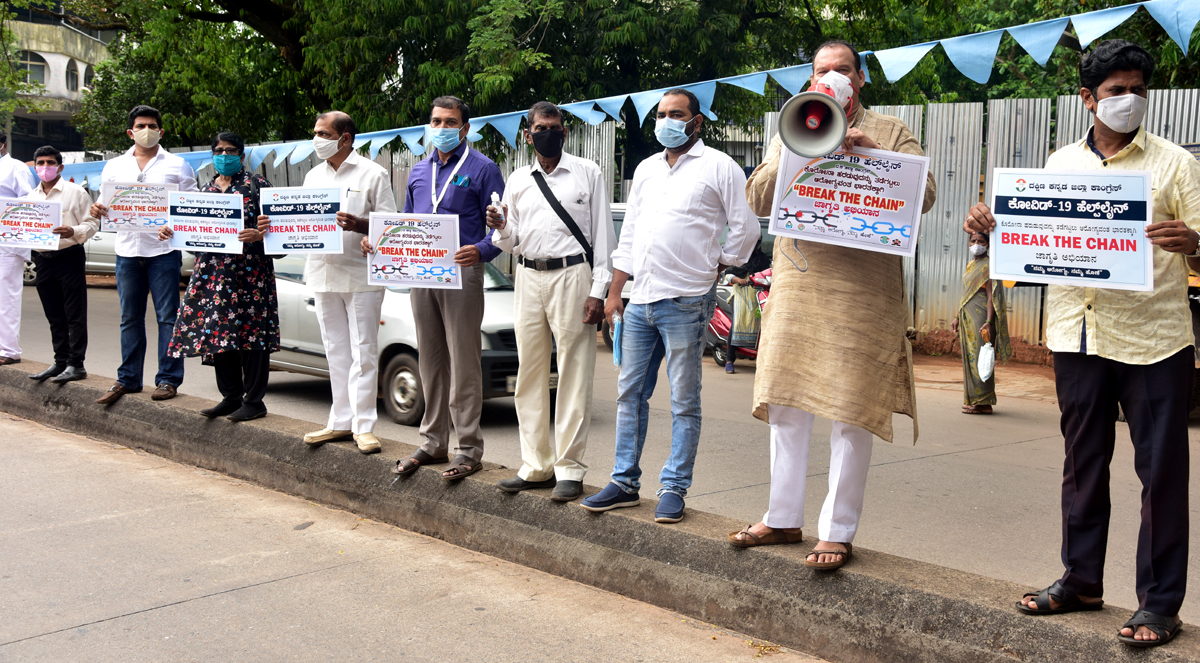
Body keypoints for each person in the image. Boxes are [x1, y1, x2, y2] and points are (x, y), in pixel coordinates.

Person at [964, 39, 1200, 648]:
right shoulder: (1059, 163)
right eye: (1117, 90)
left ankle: (1160, 605)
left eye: (1138, 90)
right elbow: (1034, 240)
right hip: (1078, 333)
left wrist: (1194, 244)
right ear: (1088, 98)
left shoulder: (1176, 164)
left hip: (1154, 340)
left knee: (1162, 474)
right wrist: (991, 230)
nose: (1130, 100)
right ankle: (1081, 581)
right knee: (1083, 464)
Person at [730, 40, 937, 569]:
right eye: (824, 71)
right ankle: (781, 518)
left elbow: (926, 194)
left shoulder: (892, 129)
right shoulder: (793, 123)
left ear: (860, 79)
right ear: (811, 80)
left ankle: (838, 530)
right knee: (785, 402)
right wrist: (799, 147)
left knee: (852, 409)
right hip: (800, 286)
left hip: (865, 294)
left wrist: (875, 155)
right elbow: (757, 198)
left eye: (843, 70)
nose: (834, 78)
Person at [580, 88, 759, 524]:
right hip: (641, 299)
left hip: (686, 300)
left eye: (676, 114)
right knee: (629, 394)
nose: (666, 122)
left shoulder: (719, 166)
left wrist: (718, 262)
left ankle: (674, 487)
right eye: (660, 114)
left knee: (684, 400)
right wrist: (615, 291)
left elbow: (746, 227)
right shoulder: (646, 169)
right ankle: (624, 482)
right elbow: (630, 234)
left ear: (696, 122)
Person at [487, 101, 616, 503]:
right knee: (529, 372)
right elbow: (510, 241)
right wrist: (500, 226)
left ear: (565, 131)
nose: (548, 133)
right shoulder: (518, 179)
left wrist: (599, 291)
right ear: (528, 135)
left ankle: (570, 469)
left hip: (572, 275)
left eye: (554, 127)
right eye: (540, 128)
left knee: (574, 372)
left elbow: (604, 238)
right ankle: (536, 465)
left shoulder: (587, 173)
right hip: (527, 275)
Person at [382, 96, 504, 482]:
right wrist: (381, 244)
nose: (442, 129)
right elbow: (406, 223)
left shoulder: (484, 169)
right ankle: (433, 441)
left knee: (464, 360)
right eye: (436, 122)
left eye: (450, 122)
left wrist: (481, 250)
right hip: (422, 274)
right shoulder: (419, 171)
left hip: (462, 273)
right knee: (430, 359)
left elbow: (503, 227)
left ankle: (468, 448)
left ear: (465, 128)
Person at [286, 112, 397, 453]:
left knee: (364, 351)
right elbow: (301, 222)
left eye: (323, 134)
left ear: (345, 138)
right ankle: (340, 422)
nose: (316, 139)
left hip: (361, 274)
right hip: (322, 272)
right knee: (335, 350)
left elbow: (390, 224)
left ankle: (364, 426)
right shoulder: (312, 177)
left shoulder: (373, 173)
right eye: (315, 133)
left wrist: (361, 226)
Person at [162, 132, 277, 421]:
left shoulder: (257, 186)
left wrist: (260, 235)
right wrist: (173, 232)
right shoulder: (205, 191)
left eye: (231, 151)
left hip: (251, 274)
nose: (224, 156)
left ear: (242, 155)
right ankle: (230, 397)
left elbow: (280, 233)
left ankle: (254, 401)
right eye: (219, 151)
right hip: (212, 275)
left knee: (252, 336)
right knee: (219, 334)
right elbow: (194, 236)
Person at [90, 105, 198, 404]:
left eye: (152, 126)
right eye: (140, 126)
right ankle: (128, 379)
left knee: (168, 318)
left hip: (163, 251)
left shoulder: (178, 165)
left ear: (161, 131)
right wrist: (97, 209)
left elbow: (190, 206)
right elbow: (104, 202)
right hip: (127, 251)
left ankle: (168, 380)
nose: (146, 131)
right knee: (129, 318)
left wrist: (173, 225)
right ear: (130, 132)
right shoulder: (114, 166)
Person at [26, 145, 97, 383]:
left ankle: (76, 364)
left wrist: (72, 231)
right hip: (43, 261)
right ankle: (60, 362)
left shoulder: (75, 192)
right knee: (54, 315)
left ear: (60, 167)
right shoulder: (30, 197)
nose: (45, 167)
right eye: (40, 163)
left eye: (50, 163)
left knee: (74, 314)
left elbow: (92, 224)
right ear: (35, 167)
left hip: (69, 257)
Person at [951, 233, 1011, 414]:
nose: (976, 244)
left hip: (981, 317)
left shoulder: (990, 266)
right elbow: (967, 293)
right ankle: (973, 399)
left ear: (988, 245)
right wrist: (957, 316)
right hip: (967, 316)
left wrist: (989, 322)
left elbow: (991, 296)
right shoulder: (971, 265)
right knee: (970, 357)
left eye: (981, 241)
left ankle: (984, 402)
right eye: (973, 241)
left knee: (980, 356)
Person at [0, 129, 38, 367]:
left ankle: (8, 350)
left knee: (7, 296)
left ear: (3, 144)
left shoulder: (16, 168)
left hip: (8, 241)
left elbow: (30, 202)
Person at [721, 238, 770, 373]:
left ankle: (761, 358)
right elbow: (728, 274)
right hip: (741, 294)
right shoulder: (739, 258)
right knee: (737, 324)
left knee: (761, 326)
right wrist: (738, 279)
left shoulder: (764, 260)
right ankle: (729, 360)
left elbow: (769, 274)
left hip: (758, 295)